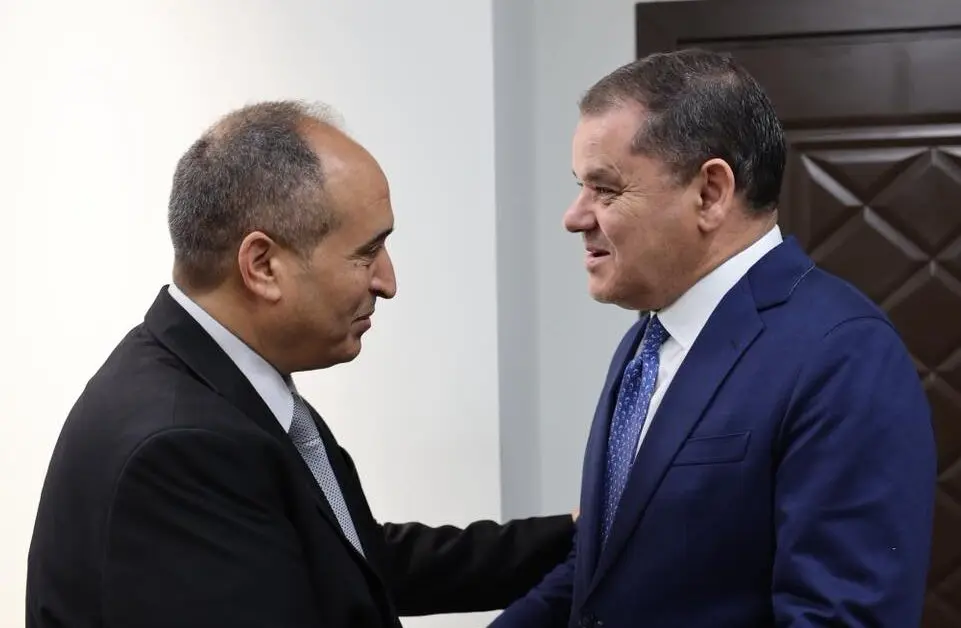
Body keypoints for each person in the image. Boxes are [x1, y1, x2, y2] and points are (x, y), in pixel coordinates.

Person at [25, 101, 575, 628]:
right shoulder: (182, 447)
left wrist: (578, 536)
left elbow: (354, 559)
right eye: (367, 253)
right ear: (262, 265)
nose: (388, 281)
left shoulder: (218, 383)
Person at [489, 49, 936, 628]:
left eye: (605, 189)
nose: (574, 217)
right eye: (581, 187)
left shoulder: (844, 355)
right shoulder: (647, 341)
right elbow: (601, 574)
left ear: (710, 193)